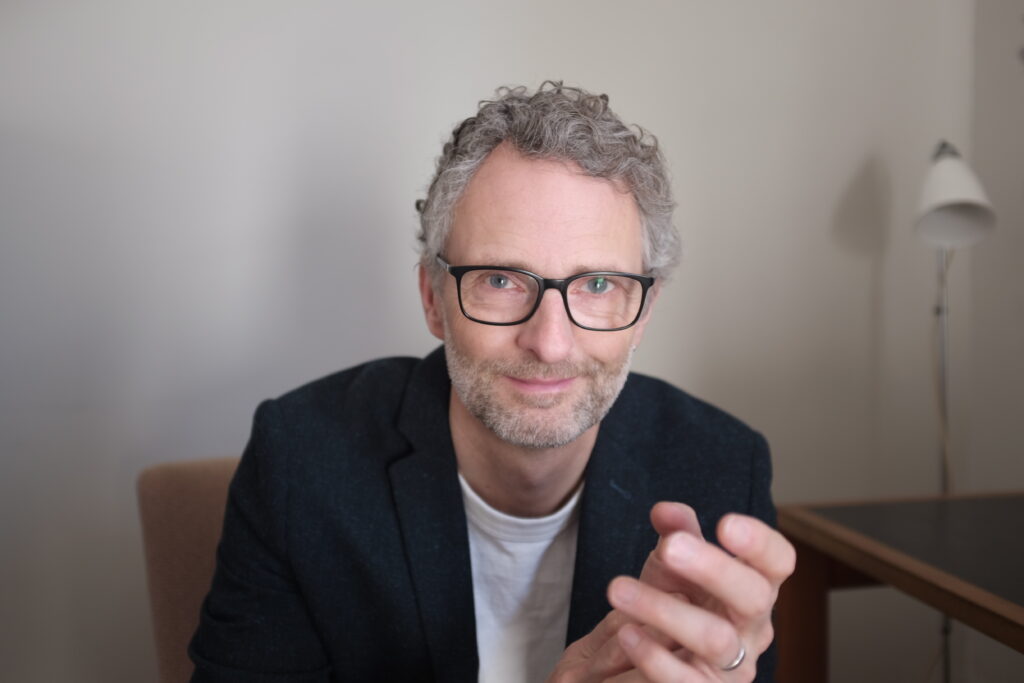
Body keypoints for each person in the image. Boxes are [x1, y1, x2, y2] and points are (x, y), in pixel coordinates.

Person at [189, 82, 795, 683]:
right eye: (501, 281)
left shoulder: (722, 469)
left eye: (599, 285)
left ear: (645, 312)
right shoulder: (300, 461)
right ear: (433, 300)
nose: (550, 342)